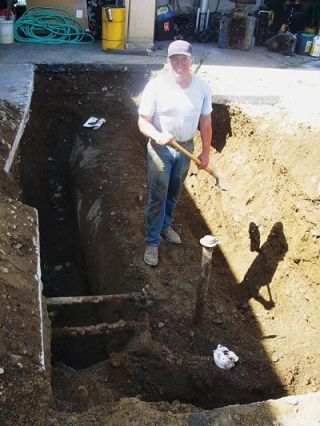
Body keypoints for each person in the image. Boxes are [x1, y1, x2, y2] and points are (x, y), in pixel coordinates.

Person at [138, 40, 213, 266]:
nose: (179, 62)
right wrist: (157, 135)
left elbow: (206, 122)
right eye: (175, 58)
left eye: (184, 58)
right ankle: (152, 241)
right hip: (161, 148)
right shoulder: (156, 86)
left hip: (186, 147)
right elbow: (143, 121)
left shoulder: (202, 87)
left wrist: (205, 153)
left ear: (191, 61)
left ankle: (165, 226)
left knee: (174, 191)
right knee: (158, 194)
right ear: (168, 61)